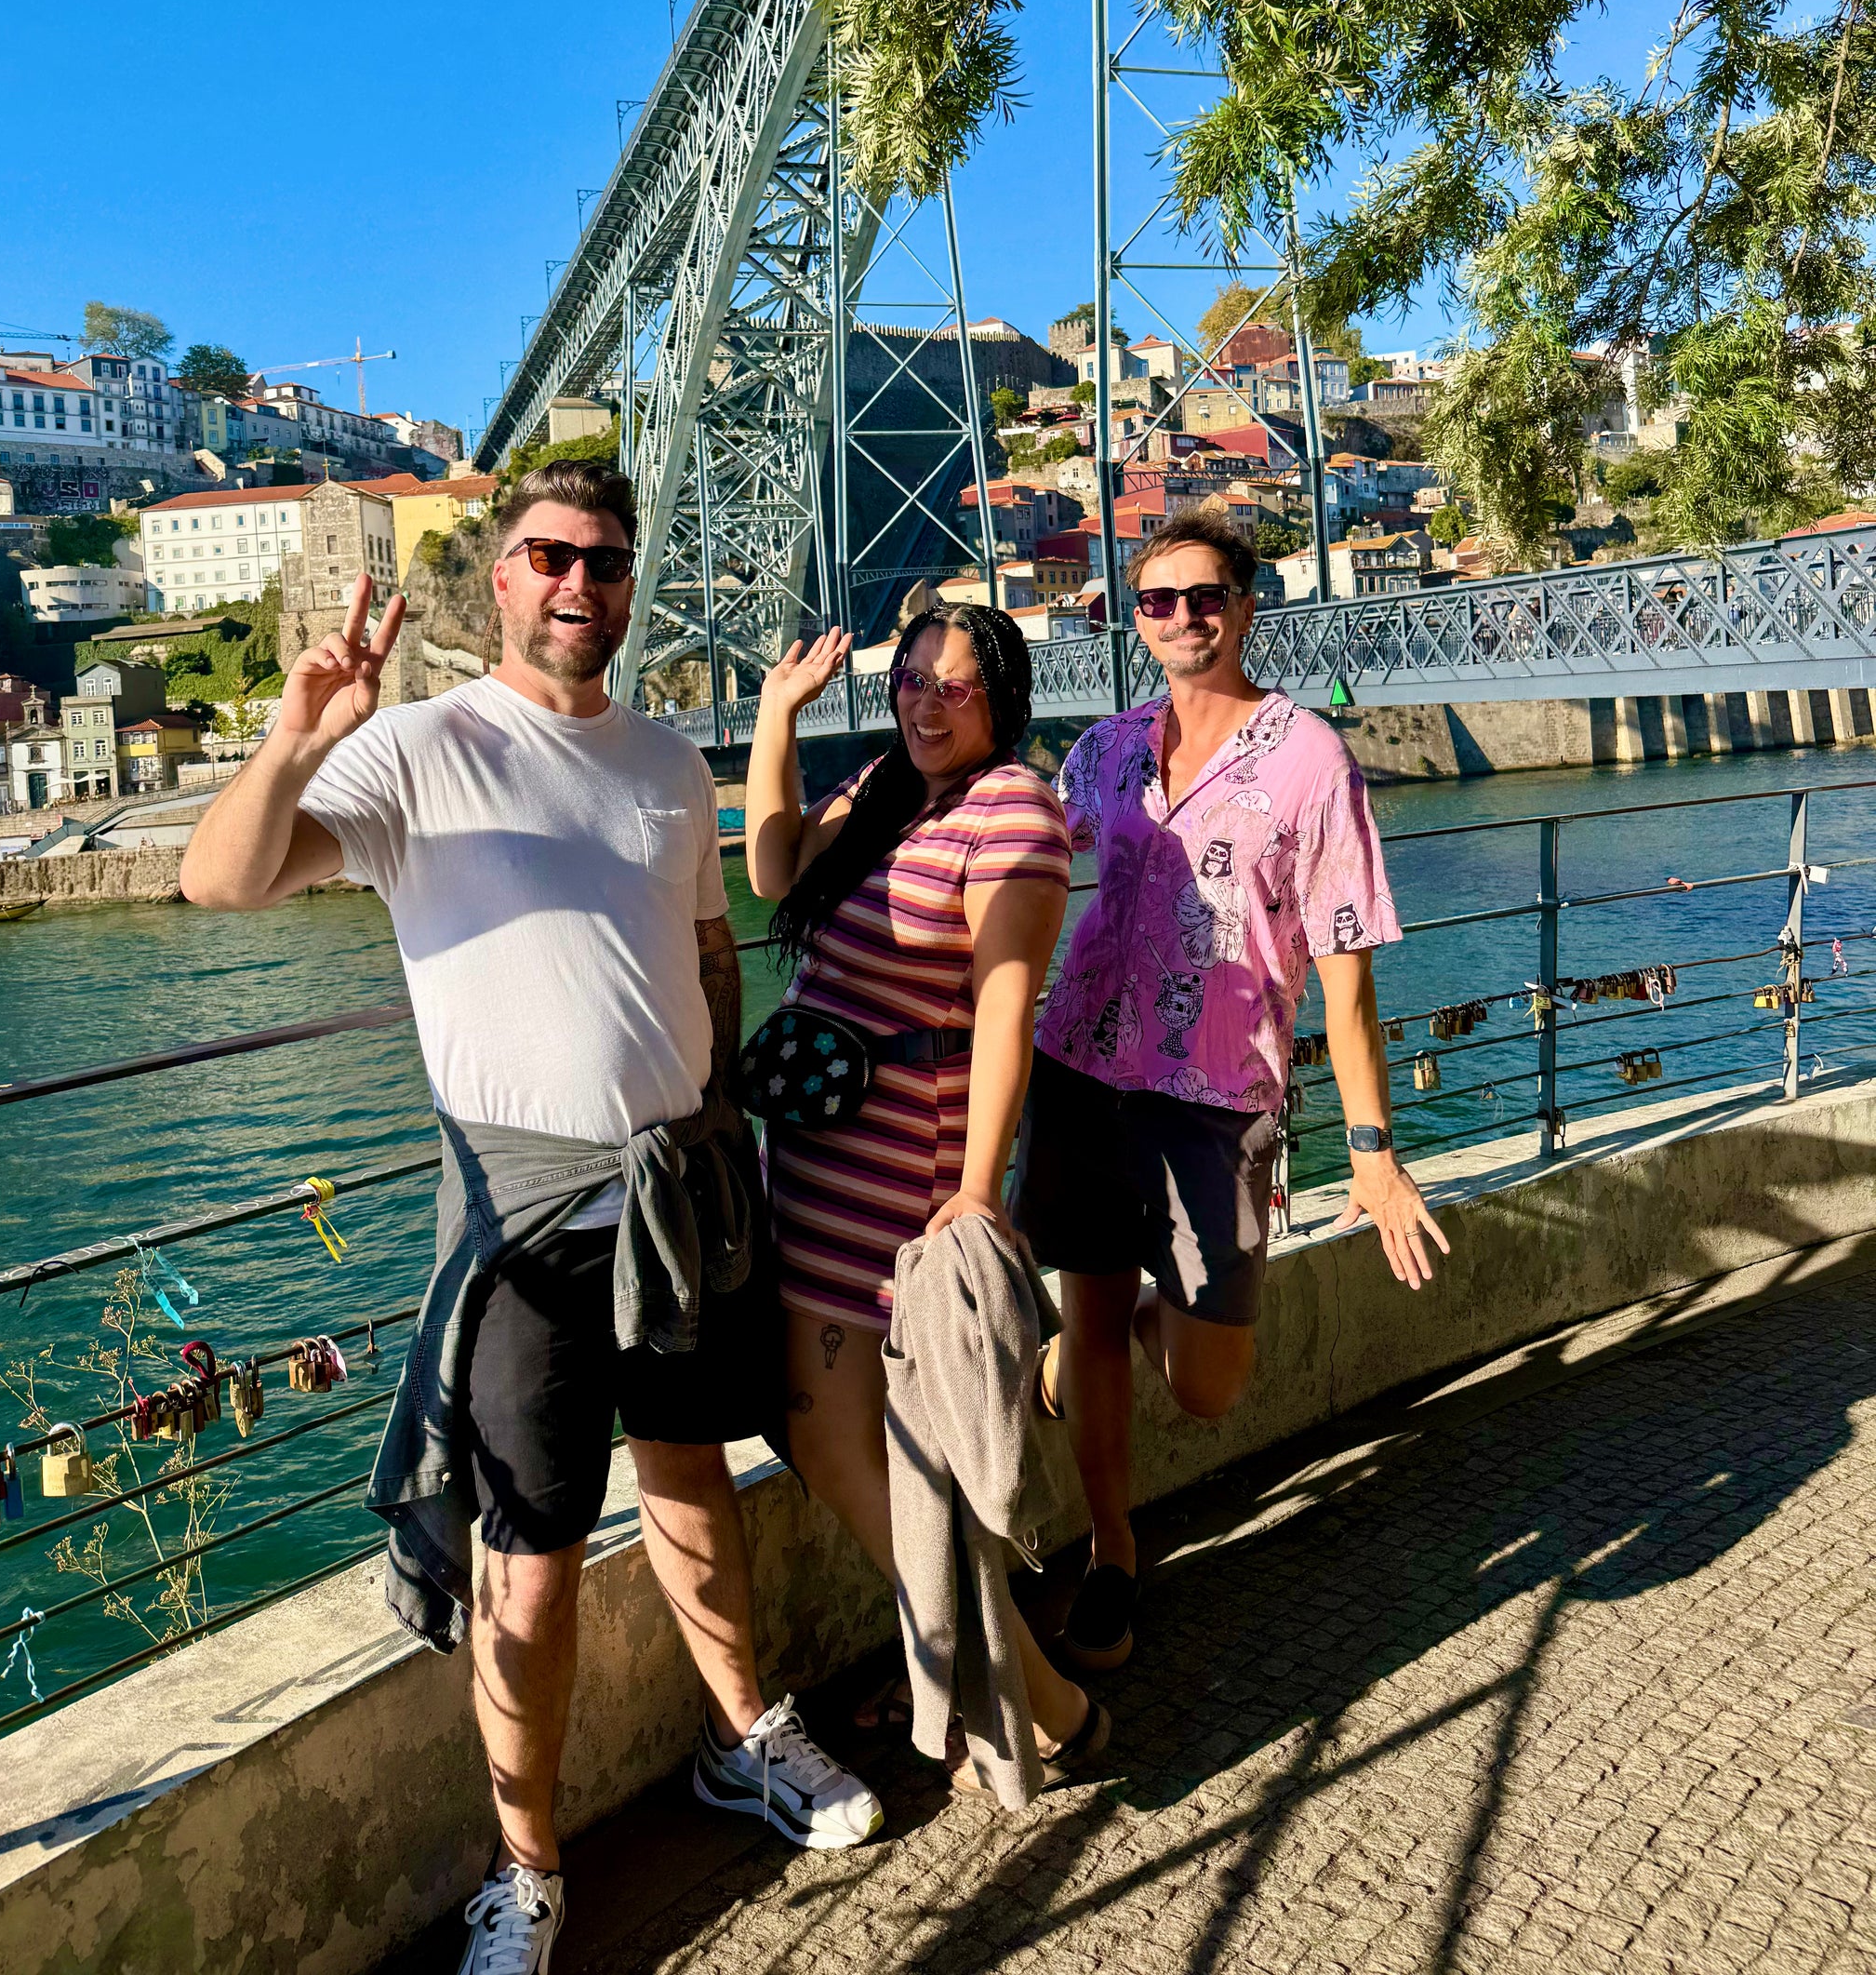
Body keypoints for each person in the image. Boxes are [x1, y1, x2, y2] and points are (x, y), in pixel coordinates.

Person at [181, 460, 878, 1975]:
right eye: (551, 556)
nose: (580, 582)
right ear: (501, 579)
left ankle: (743, 1738)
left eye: (607, 562)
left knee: (690, 1475)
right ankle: (527, 1869)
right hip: (523, 1215)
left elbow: (710, 948)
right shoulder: (419, 749)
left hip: (680, 1188)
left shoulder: (669, 764)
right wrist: (299, 735)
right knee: (532, 1544)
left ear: (627, 588)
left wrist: (714, 1112)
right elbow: (219, 883)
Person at [1016, 500, 1449, 1677]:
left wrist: (1374, 1149)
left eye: (1206, 596)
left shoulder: (1312, 758)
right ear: (1136, 618)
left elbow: (1349, 977)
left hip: (1216, 1097)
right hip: (1080, 1069)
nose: (1183, 617)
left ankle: (1084, 1352)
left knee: (1207, 1383)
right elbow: (1020, 871)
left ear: (1247, 607)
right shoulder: (1104, 749)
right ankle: (1112, 1551)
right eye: (1157, 600)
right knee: (1090, 1313)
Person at [744, 602, 1110, 1787]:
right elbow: (771, 869)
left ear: (1002, 696)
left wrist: (977, 1188)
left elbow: (1007, 1005)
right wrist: (776, 716)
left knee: (844, 1439)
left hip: (898, 1172)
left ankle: (1041, 1702)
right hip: (813, 1159)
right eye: (912, 677)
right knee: (869, 1445)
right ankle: (973, 1675)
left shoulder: (1015, 811)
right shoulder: (886, 790)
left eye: (956, 684)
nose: (927, 699)